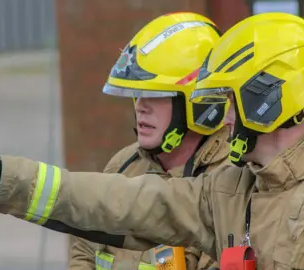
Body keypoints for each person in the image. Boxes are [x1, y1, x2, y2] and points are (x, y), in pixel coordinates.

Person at [0, 12, 304, 269]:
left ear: (270, 100)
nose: (223, 114)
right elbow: (110, 202)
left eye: (232, 99)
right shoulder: (227, 193)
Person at [68, 12, 228, 270]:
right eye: (137, 94)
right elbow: (85, 247)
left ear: (199, 101)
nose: (141, 106)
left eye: (156, 95)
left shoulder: (227, 185)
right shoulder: (123, 165)